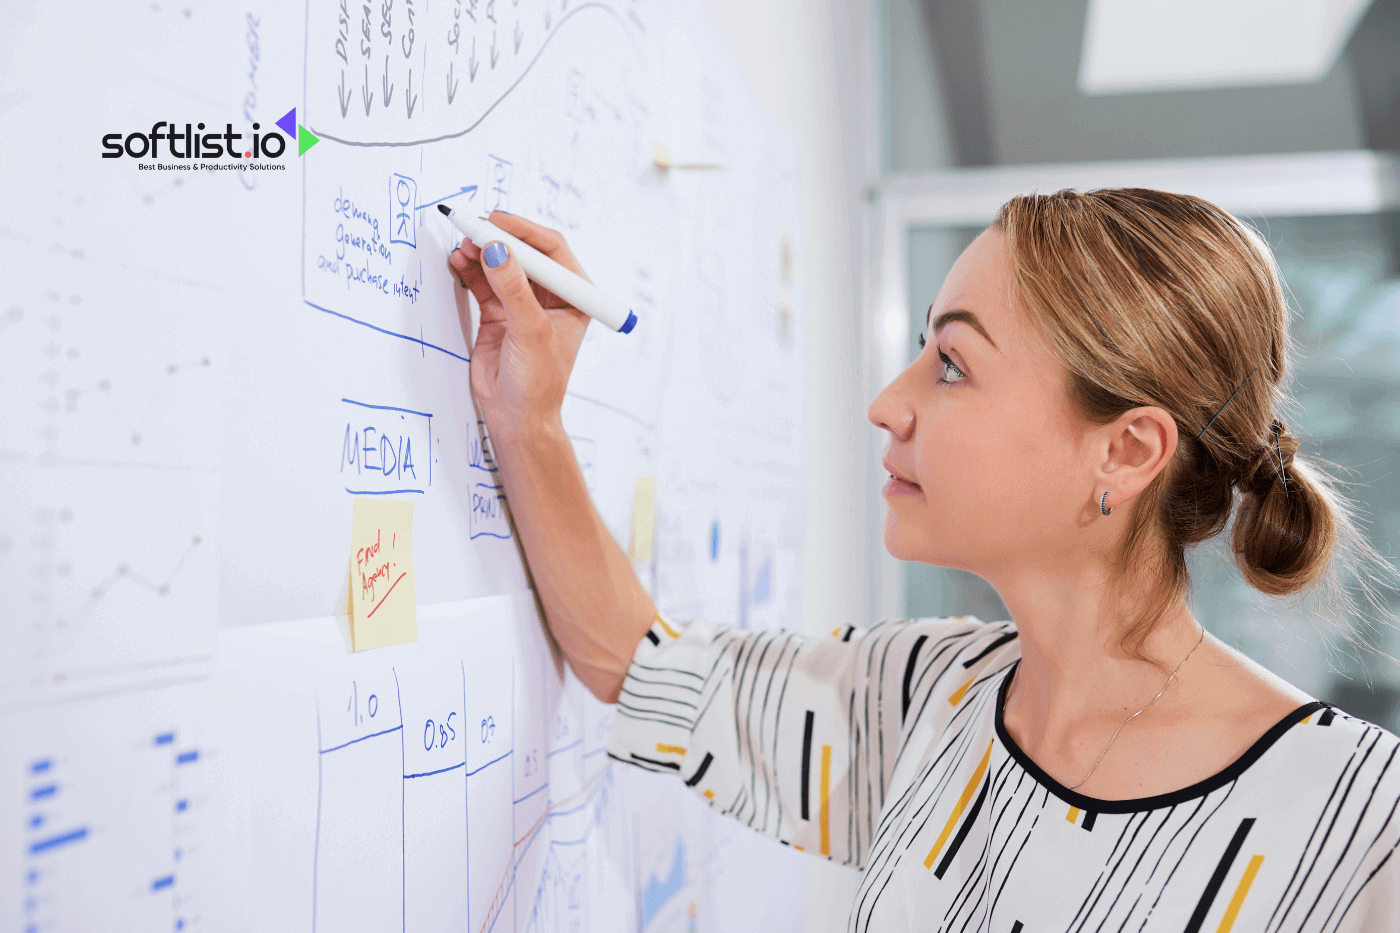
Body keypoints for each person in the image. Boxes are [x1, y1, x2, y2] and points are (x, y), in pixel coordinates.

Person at [447, 188, 1400, 931]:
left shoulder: (1366, 827)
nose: (888, 404)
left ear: (1126, 451)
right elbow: (639, 664)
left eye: (952, 363)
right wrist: (528, 419)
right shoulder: (923, 696)